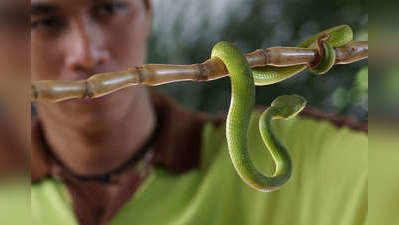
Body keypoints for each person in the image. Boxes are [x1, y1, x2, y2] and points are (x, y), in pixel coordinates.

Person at [30, 0, 370, 225]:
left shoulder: (315, 151)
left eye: (110, 7)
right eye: (43, 22)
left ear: (148, 12)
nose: (86, 53)